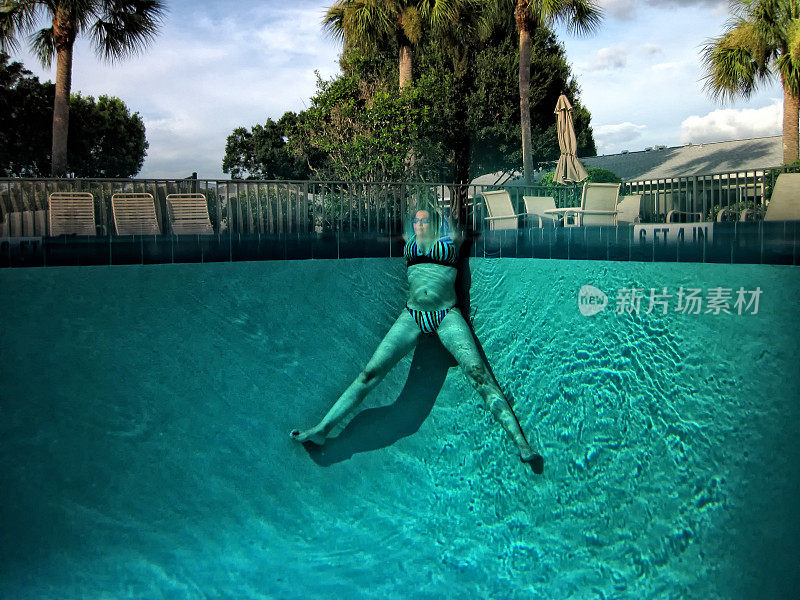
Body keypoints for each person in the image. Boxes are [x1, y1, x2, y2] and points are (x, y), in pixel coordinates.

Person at [291, 206, 544, 474]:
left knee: (478, 374)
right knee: (370, 373)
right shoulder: (409, 242)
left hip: (446, 315)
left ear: (435, 223)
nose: (420, 225)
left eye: (425, 220)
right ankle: (322, 429)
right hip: (412, 315)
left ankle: (521, 444)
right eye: (416, 221)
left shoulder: (449, 240)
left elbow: (464, 224)